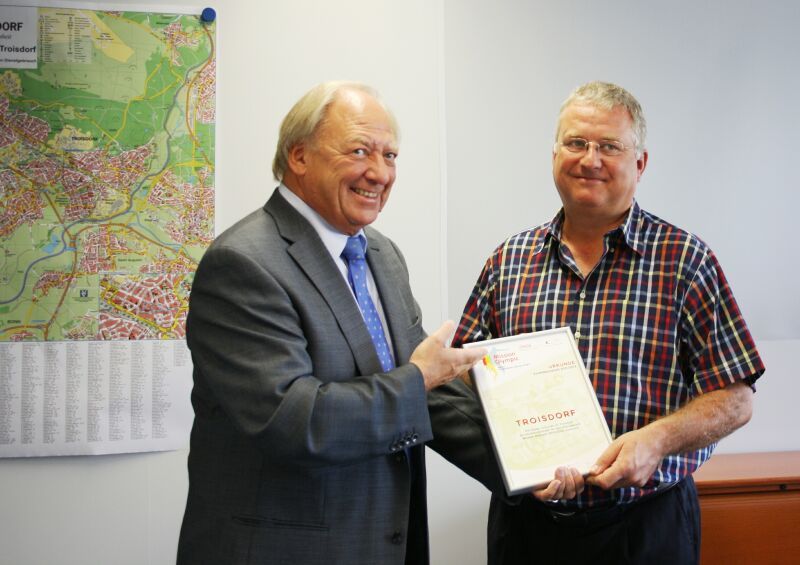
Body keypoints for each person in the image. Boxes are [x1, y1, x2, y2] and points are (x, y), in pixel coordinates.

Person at [176, 81, 489, 565]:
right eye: (360, 151)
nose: (379, 172)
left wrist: (535, 469)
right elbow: (294, 420)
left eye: (390, 155)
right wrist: (421, 376)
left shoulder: (381, 254)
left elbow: (427, 397)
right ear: (299, 156)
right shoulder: (243, 263)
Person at [452, 81, 765, 564]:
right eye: (576, 143)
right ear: (554, 154)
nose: (590, 159)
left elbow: (737, 398)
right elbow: (461, 382)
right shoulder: (508, 261)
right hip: (527, 530)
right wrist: (510, 464)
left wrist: (656, 440)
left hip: (645, 529)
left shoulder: (685, 261)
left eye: (609, 146)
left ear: (639, 163)